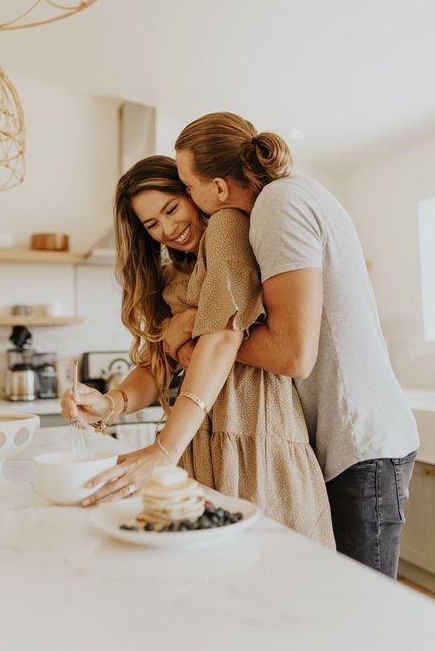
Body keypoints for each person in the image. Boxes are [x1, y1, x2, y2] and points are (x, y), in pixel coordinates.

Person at [166, 111, 419, 577]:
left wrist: (200, 332)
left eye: (188, 185)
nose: (188, 198)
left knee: (361, 611)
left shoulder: (277, 206)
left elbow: (292, 354)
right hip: (355, 440)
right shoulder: (292, 195)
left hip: (361, 444)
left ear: (219, 189)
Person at [61, 155, 335, 548]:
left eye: (172, 208)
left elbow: (223, 337)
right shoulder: (174, 277)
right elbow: (155, 364)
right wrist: (111, 403)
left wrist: (163, 448)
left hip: (255, 437)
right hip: (196, 442)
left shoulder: (226, 228)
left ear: (191, 192)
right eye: (152, 225)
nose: (169, 228)